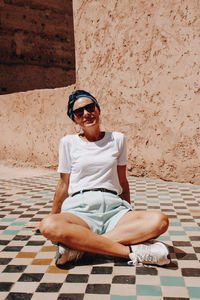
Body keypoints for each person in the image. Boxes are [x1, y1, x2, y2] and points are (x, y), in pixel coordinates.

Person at [39, 90, 170, 266]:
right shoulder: (68, 143)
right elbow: (64, 183)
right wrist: (53, 214)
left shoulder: (117, 139)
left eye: (90, 107)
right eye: (79, 112)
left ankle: (80, 247)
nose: (86, 114)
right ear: (75, 120)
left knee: (160, 220)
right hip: (80, 209)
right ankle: (130, 253)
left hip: (114, 209)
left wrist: (129, 212)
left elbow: (122, 181)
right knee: (48, 225)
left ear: (98, 109)